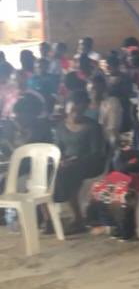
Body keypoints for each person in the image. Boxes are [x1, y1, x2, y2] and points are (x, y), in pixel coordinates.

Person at [51, 90, 107, 232]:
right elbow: (58, 148)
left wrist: (75, 160)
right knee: (51, 171)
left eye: (79, 111)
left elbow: (96, 153)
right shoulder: (61, 127)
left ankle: (78, 218)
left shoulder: (93, 127)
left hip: (90, 163)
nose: (75, 114)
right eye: (73, 111)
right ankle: (48, 219)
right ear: (67, 108)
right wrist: (62, 159)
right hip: (68, 163)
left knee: (67, 173)